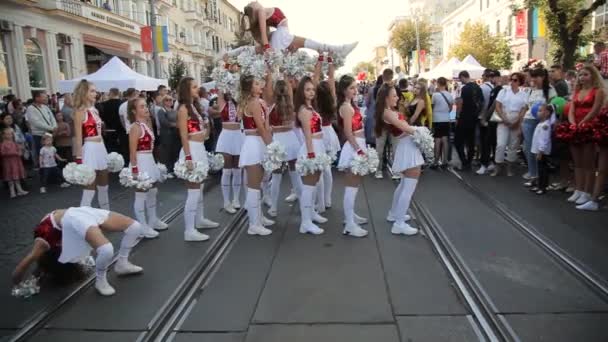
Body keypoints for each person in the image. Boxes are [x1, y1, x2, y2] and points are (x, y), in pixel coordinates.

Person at [12, 208, 144, 296]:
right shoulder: (52, 244)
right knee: (107, 248)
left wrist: (17, 283)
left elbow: (24, 264)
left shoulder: (44, 242)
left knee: (134, 227)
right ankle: (100, 281)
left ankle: (122, 263)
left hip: (75, 215)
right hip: (76, 214)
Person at [177, 77, 220, 242]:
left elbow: (200, 129)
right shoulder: (182, 109)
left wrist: (206, 130)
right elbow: (183, 134)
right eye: (194, 87)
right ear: (186, 90)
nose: (197, 89)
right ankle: (189, 230)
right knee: (193, 192)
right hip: (192, 150)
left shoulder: (195, 107)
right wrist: (188, 157)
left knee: (200, 189)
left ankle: (199, 219)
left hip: (200, 148)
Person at [375, 84, 422, 235]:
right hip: (407, 146)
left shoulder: (390, 111)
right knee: (408, 187)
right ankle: (399, 223)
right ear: (386, 98)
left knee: (403, 185)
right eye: (394, 95)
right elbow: (405, 127)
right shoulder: (388, 113)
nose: (397, 97)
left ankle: (395, 214)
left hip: (406, 145)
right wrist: (422, 132)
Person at [236, 1, 357, 56]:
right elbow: (263, 34)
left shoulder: (262, 12)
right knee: (307, 43)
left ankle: (339, 49)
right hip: (281, 33)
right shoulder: (261, 11)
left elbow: (264, 35)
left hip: (280, 33)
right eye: (253, 3)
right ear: (254, 8)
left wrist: (268, 47)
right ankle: (339, 49)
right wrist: (267, 48)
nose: (255, 1)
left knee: (306, 43)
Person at [238, 74, 275, 236]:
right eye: (257, 84)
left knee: (258, 184)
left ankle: (258, 216)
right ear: (250, 88)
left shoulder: (259, 103)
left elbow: (266, 126)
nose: (260, 86)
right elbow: (260, 128)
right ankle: (254, 224)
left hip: (259, 142)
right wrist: (271, 146)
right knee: (253, 187)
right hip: (254, 144)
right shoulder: (253, 103)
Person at [127, 97, 169, 239]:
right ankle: (142, 226)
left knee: (153, 190)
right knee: (141, 194)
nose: (146, 109)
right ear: (134, 111)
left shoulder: (146, 124)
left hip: (149, 159)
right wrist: (134, 170)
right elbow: (132, 151)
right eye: (142, 107)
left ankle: (153, 219)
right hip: (140, 161)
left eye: (146, 106)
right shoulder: (135, 127)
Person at [336, 75, 370, 237]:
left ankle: (351, 216)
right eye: (351, 88)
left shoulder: (351, 105)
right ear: (344, 90)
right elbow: (348, 132)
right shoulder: (346, 107)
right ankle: (349, 223)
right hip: (354, 146)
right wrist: (359, 150)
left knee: (355, 186)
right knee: (351, 187)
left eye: (355, 87)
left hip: (358, 144)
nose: (355, 90)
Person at [294, 76, 328, 235]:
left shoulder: (310, 108)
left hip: (318, 147)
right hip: (312, 148)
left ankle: (311, 213)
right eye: (307, 89)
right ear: (301, 91)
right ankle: (305, 222)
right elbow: (307, 134)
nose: (311, 92)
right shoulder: (303, 110)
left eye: (313, 89)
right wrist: (311, 155)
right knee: (308, 187)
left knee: (314, 183)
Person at [568, 66, 605, 207]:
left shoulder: (598, 91)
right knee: (577, 162)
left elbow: (595, 110)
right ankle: (578, 188)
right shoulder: (577, 91)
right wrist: (572, 123)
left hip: (589, 127)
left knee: (588, 162)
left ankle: (587, 191)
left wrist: (583, 123)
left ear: (593, 76)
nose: (582, 77)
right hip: (575, 127)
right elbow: (572, 108)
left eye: (586, 74)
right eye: (580, 75)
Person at [72, 80, 112, 212]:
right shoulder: (80, 111)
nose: (96, 93)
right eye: (92, 91)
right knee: (89, 188)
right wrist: (79, 160)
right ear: (84, 93)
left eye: (95, 90)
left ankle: (105, 216)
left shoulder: (95, 110)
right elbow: (78, 138)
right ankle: (83, 219)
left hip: (101, 148)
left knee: (104, 186)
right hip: (89, 149)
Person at [522, 68, 556, 187]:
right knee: (528, 149)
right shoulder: (531, 90)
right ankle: (533, 175)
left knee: (539, 150)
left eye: (536, 77)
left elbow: (553, 108)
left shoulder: (550, 90)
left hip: (542, 123)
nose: (534, 79)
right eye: (533, 76)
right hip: (528, 121)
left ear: (543, 77)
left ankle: (542, 178)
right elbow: (526, 107)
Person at [491, 72, 528, 177]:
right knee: (501, 144)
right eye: (511, 79)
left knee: (513, 146)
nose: (512, 82)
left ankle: (509, 168)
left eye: (515, 80)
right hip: (504, 119)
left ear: (520, 82)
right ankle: (497, 167)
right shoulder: (504, 91)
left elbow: (524, 109)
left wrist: (518, 122)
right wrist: (504, 118)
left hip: (516, 120)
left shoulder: (523, 94)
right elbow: (498, 106)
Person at [316, 55, 340, 211]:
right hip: (329, 133)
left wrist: (320, 59)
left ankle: (321, 202)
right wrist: (330, 61)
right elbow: (331, 78)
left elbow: (316, 77)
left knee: (320, 169)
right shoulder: (332, 99)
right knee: (327, 169)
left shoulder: (315, 101)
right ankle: (328, 199)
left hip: (318, 134)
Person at [215, 89, 244, 214]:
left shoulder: (240, 103)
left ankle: (236, 199)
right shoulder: (222, 101)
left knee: (237, 171)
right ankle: (226, 201)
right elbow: (220, 88)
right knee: (226, 171)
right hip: (226, 136)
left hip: (238, 135)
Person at [454, 71, 483, 170]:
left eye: (460, 79)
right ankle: (469, 162)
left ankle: (464, 161)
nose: (460, 81)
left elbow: (460, 104)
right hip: (474, 118)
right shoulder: (478, 87)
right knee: (471, 141)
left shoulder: (465, 88)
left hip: (464, 118)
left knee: (458, 141)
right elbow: (481, 102)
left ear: (463, 77)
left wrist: (457, 117)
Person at [26, 91, 57, 168]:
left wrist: (55, 126)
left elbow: (52, 117)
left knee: (51, 153)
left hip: (49, 134)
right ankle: (43, 171)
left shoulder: (45, 107)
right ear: (37, 98)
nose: (46, 98)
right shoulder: (30, 108)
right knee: (42, 155)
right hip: (39, 135)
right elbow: (36, 123)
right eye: (44, 97)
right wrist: (52, 128)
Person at [530, 104, 554, 195]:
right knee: (540, 168)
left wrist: (540, 151)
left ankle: (542, 187)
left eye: (540, 111)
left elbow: (544, 139)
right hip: (539, 151)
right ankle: (540, 185)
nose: (537, 112)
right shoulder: (541, 124)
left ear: (547, 113)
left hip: (542, 152)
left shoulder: (545, 126)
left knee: (542, 169)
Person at [431, 77, 454, 169]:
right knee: (445, 139)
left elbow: (431, 108)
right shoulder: (449, 95)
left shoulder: (435, 95)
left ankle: (436, 161)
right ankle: (445, 161)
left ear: (438, 84)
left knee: (437, 140)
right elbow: (451, 108)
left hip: (437, 119)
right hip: (446, 119)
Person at [99, 88, 127, 160]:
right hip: (121, 132)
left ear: (111, 93)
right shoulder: (123, 104)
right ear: (118, 93)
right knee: (122, 154)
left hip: (108, 132)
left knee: (110, 154)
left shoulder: (103, 105)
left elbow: (102, 119)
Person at [1, 127, 28, 198]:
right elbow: (2, 153)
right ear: (4, 135)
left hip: (16, 162)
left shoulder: (14, 143)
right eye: (8, 134)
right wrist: (14, 153)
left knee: (17, 177)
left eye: (11, 134)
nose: (10, 136)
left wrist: (20, 151)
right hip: (8, 163)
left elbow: (19, 151)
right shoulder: (3, 144)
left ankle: (19, 190)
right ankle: (12, 191)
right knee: (10, 177)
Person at [158, 95, 180, 174]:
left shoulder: (173, 110)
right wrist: (175, 125)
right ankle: (168, 169)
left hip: (175, 134)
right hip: (166, 134)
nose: (170, 101)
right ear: (163, 101)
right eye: (167, 100)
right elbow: (163, 122)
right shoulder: (161, 111)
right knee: (167, 151)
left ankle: (174, 168)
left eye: (171, 100)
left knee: (175, 150)